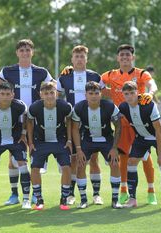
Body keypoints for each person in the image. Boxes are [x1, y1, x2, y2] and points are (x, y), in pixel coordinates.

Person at [0, 39, 54, 205]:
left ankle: (35, 194)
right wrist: (0, 102)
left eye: (28, 50)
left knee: (34, 158)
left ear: (32, 52)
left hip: (35, 120)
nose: (25, 53)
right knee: (13, 157)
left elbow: (55, 86)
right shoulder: (8, 71)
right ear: (17, 53)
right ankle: (14, 195)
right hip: (14, 121)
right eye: (22, 50)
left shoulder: (41, 72)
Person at [100, 44, 158, 205]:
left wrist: (150, 93)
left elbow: (153, 85)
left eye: (128, 55)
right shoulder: (110, 75)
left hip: (140, 122)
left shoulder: (141, 73)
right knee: (123, 156)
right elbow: (95, 83)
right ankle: (124, 191)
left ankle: (151, 191)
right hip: (121, 124)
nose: (125, 57)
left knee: (145, 157)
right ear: (118, 58)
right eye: (122, 55)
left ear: (132, 57)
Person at [57, 45, 105, 206]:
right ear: (72, 59)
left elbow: (105, 94)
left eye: (82, 56)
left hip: (92, 122)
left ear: (86, 59)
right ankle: (71, 194)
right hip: (71, 122)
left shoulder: (95, 76)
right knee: (73, 159)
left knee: (93, 159)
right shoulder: (64, 76)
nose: (79, 59)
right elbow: (54, 96)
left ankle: (96, 194)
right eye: (76, 56)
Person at [119, 81, 161, 210]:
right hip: (142, 137)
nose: (130, 96)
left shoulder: (148, 104)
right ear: (123, 95)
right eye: (126, 94)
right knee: (131, 162)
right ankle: (132, 199)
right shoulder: (123, 107)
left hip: (160, 135)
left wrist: (159, 154)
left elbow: (159, 131)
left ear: (137, 92)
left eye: (132, 93)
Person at [72, 81, 123, 209]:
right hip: (88, 140)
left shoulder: (110, 106)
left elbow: (118, 126)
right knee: (81, 164)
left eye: (96, 93)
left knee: (115, 163)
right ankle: (83, 199)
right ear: (85, 95)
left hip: (106, 139)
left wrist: (115, 148)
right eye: (91, 93)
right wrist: (78, 149)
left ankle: (115, 200)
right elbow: (74, 129)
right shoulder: (78, 108)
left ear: (101, 94)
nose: (93, 96)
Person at [0, 82, 31, 210]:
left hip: (15, 139)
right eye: (2, 94)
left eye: (8, 94)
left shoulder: (19, 106)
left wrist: (24, 133)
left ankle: (26, 199)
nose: (5, 97)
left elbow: (26, 116)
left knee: (23, 166)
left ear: (12, 95)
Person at [27, 82, 72, 210]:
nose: (49, 96)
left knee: (67, 167)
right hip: (40, 142)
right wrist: (30, 143)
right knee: (35, 168)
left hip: (60, 141)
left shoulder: (65, 107)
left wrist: (69, 140)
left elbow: (69, 121)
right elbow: (29, 122)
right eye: (46, 93)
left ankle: (64, 198)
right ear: (41, 95)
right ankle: (39, 199)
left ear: (56, 93)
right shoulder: (34, 107)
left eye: (52, 93)